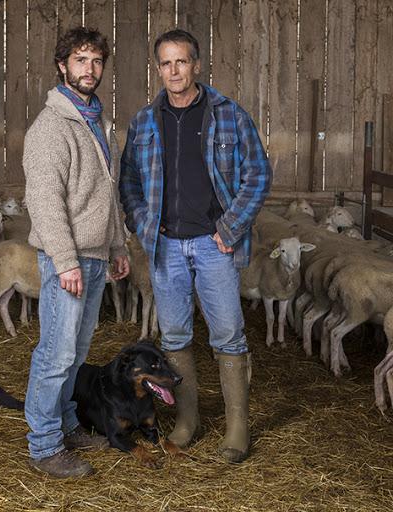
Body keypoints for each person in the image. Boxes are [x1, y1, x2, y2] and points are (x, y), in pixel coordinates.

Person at [119, 29, 271, 463]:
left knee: (227, 335)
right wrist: (142, 223)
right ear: (158, 68)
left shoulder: (228, 114)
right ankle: (188, 421)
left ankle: (237, 429)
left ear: (197, 65)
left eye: (181, 62)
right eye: (166, 63)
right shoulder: (146, 121)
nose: (174, 71)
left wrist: (231, 228)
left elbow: (258, 174)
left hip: (213, 245)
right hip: (165, 246)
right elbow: (129, 181)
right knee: (175, 335)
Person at [23, 26, 130, 478]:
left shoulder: (97, 122)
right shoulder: (51, 128)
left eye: (96, 61)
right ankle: (45, 446)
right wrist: (65, 262)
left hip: (95, 253)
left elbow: (109, 194)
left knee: (77, 350)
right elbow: (45, 201)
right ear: (62, 66)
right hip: (66, 259)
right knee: (55, 352)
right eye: (80, 60)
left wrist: (118, 243)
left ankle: (66, 424)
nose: (90, 69)